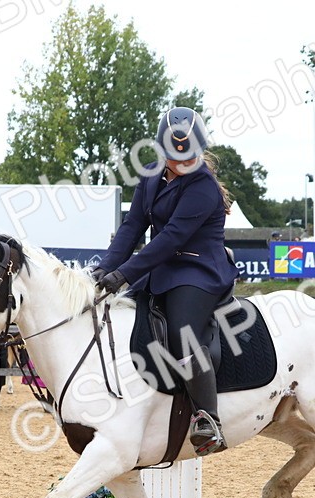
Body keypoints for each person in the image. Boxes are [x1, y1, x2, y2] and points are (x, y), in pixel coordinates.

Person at [91, 107, 238, 455]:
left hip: (197, 270)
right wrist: (105, 268)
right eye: (175, 156)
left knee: (182, 332)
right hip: (159, 270)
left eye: (189, 156)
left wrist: (124, 274)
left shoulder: (203, 187)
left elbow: (171, 237)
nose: (183, 162)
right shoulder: (151, 175)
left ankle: (208, 417)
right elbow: (132, 226)